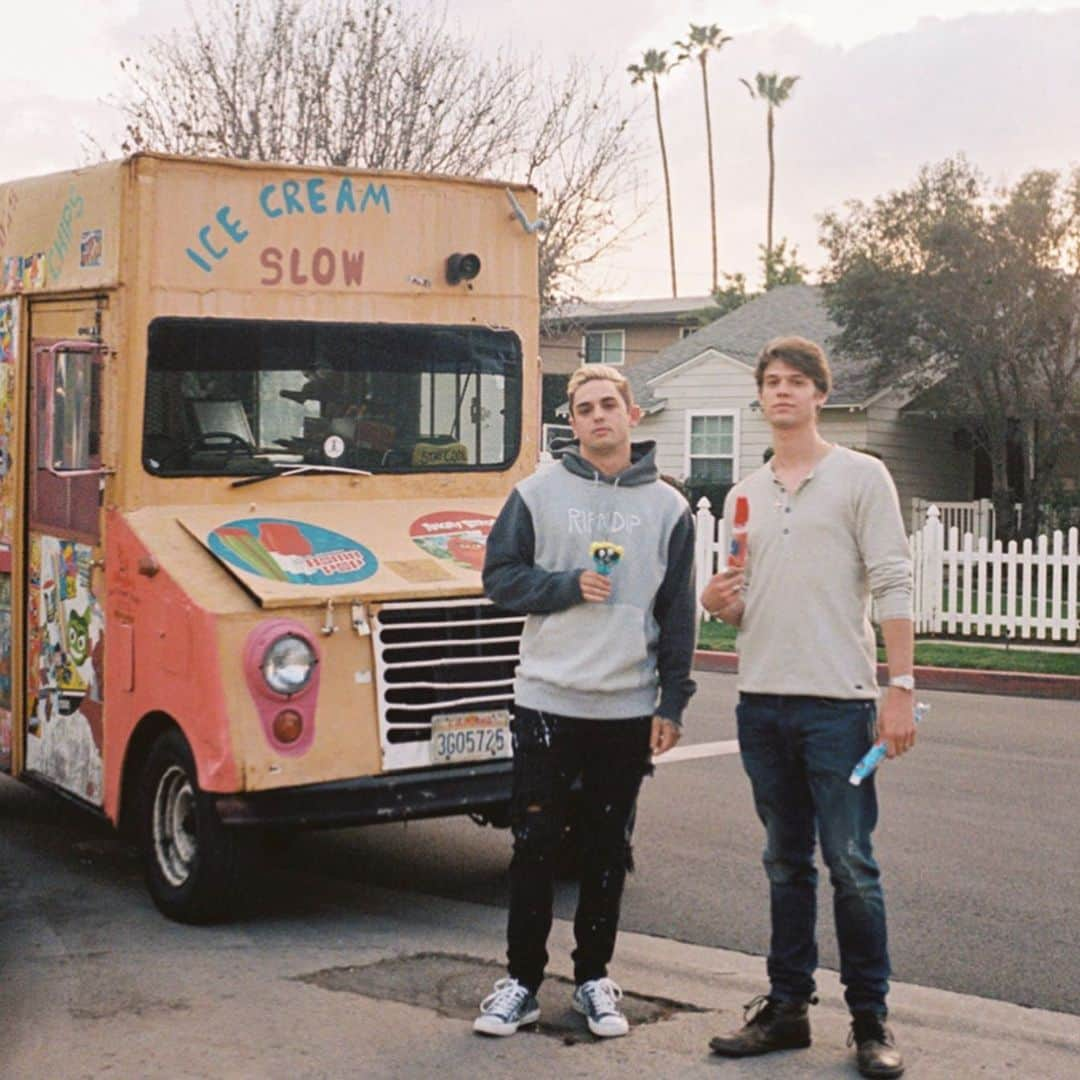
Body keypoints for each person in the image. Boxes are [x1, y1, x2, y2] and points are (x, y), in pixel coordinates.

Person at [701, 337, 916, 1079]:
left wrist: (902, 686)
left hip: (841, 706)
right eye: (771, 382)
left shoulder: (862, 476)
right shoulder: (746, 491)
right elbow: (735, 596)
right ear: (759, 397)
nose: (782, 393)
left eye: (797, 382)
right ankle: (788, 1008)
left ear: (821, 394)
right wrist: (713, 602)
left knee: (852, 866)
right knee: (784, 863)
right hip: (761, 702)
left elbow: (892, 580)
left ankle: (870, 1023)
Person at [473, 364, 697, 1039]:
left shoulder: (669, 508)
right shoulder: (536, 494)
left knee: (604, 851)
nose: (597, 416)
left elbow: (678, 613)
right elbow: (500, 580)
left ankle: (595, 980)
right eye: (583, 408)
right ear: (572, 421)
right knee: (534, 845)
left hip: (625, 706)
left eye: (608, 404)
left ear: (632, 413)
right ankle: (519, 984)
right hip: (546, 698)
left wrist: (673, 702)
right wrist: (565, 585)